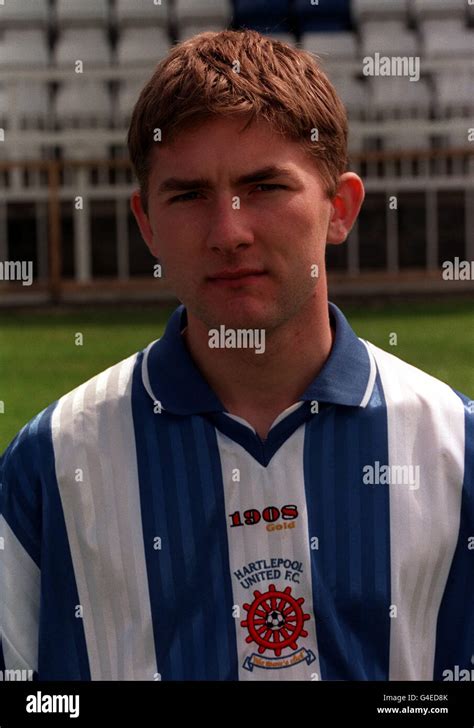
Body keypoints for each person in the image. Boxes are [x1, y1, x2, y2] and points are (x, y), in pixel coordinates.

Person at [0, 29, 472, 682]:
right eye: (189, 195)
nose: (229, 232)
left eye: (266, 187)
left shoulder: (456, 451)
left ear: (340, 208)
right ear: (147, 224)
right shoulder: (48, 463)